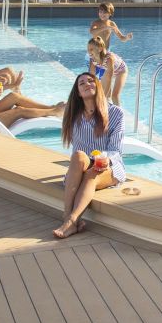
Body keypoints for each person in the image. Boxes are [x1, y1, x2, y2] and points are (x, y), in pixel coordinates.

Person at [53, 71, 141, 237]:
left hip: (109, 165)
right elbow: (76, 151)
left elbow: (116, 149)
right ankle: (67, 216)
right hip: (83, 164)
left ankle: (71, 221)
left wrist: (104, 159)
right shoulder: (73, 115)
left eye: (91, 81)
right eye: (82, 83)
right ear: (78, 93)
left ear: (98, 86)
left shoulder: (115, 113)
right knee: (78, 155)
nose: (87, 84)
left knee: (92, 173)